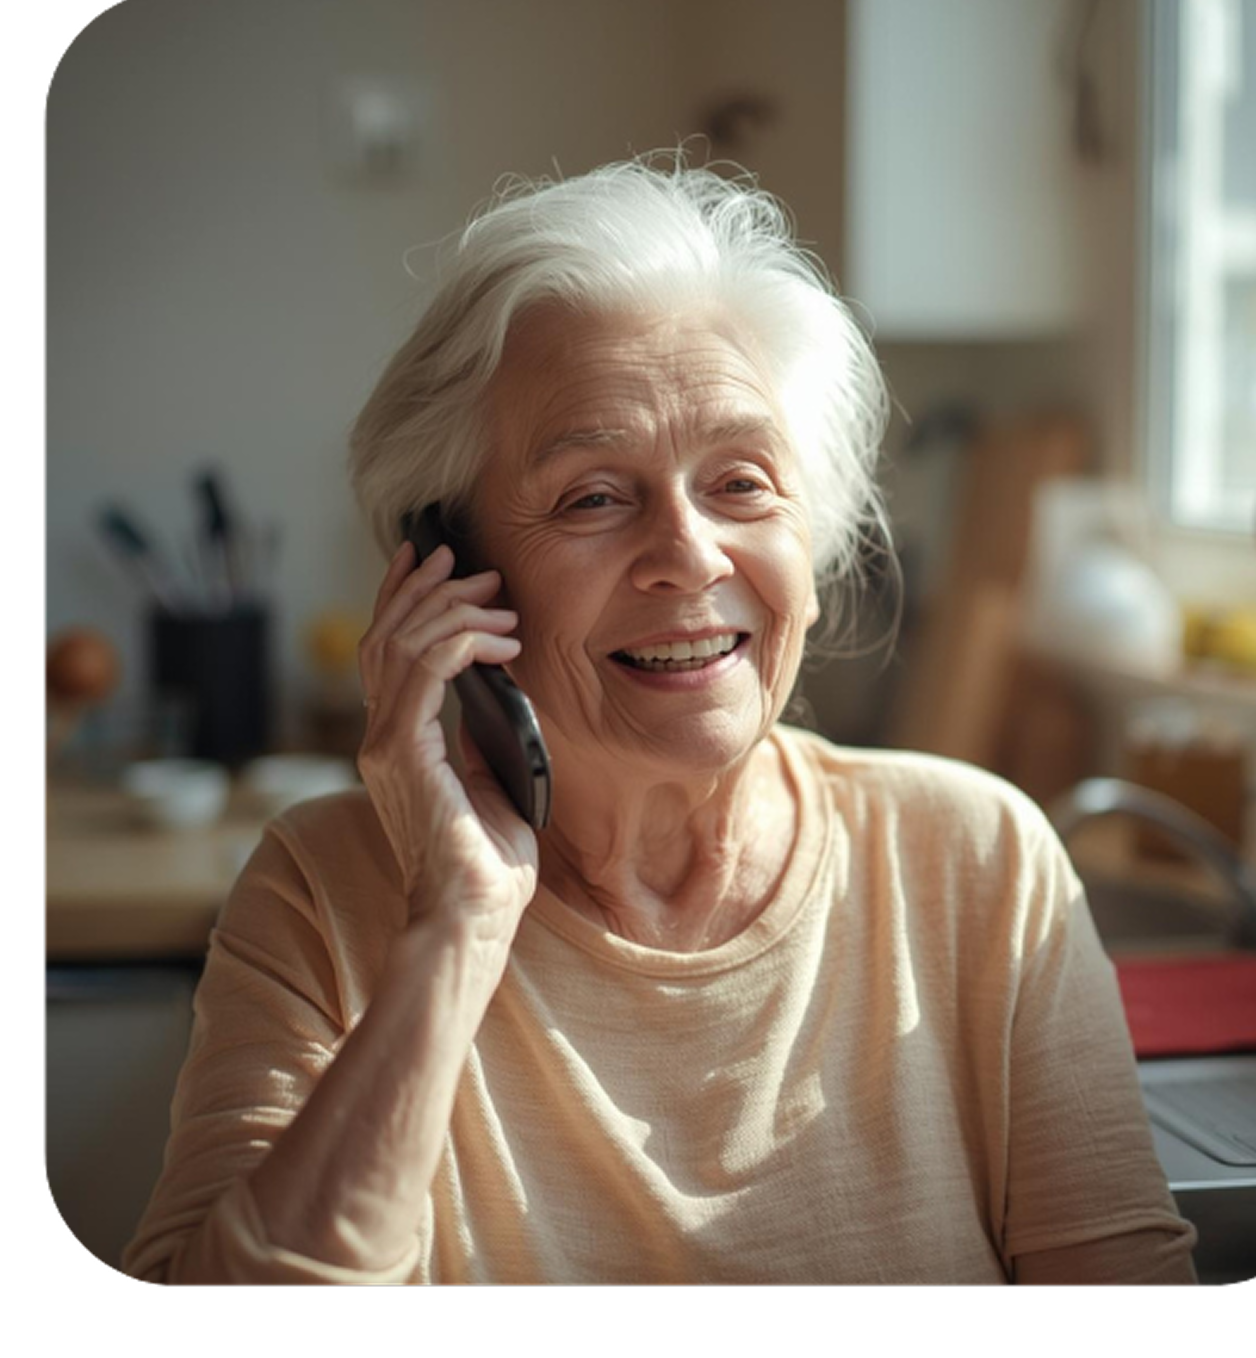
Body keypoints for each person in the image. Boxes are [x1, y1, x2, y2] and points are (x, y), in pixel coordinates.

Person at [121, 152, 1199, 1286]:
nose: (689, 553)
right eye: (593, 496)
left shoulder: (980, 863)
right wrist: (459, 929)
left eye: (741, 483)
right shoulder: (324, 896)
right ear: (451, 580)